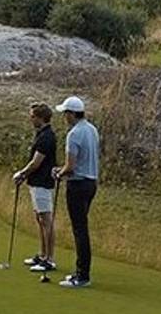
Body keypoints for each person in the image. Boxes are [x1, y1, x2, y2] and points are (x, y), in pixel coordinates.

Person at [52, 95, 98, 289]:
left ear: (72, 114)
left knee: (80, 230)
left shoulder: (74, 134)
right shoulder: (92, 129)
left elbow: (71, 167)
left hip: (78, 185)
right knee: (82, 228)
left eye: (65, 113)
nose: (64, 117)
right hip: (91, 183)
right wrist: (62, 169)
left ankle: (82, 275)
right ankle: (82, 272)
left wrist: (58, 173)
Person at [12, 103, 57, 273]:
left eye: (32, 116)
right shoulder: (42, 134)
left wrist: (21, 174)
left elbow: (36, 163)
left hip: (42, 183)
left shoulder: (46, 137)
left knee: (47, 220)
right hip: (36, 183)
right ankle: (43, 255)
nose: (30, 119)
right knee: (40, 219)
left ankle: (50, 260)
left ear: (40, 118)